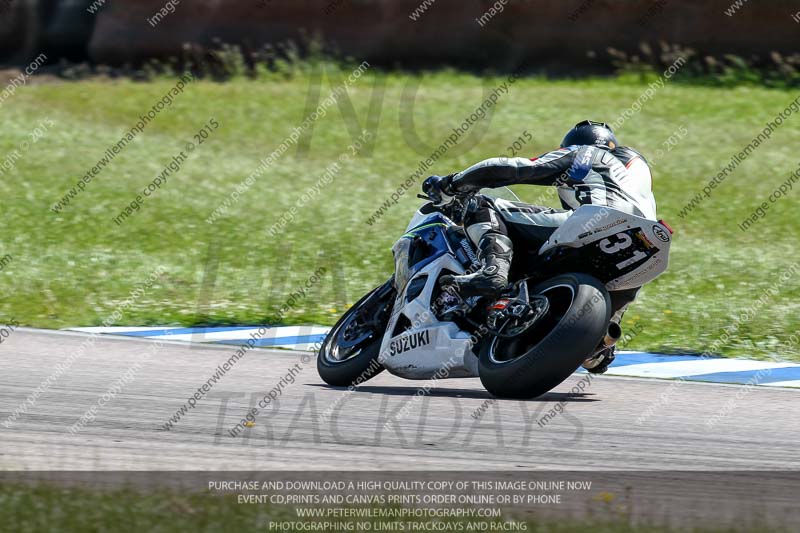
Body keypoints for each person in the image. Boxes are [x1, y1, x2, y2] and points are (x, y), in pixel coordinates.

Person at [422, 120, 658, 373]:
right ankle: (603, 343)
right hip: (646, 249)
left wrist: (452, 184)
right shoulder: (637, 184)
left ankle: (493, 271)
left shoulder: (586, 154)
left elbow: (515, 169)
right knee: (599, 345)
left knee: (482, 205)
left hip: (597, 221)